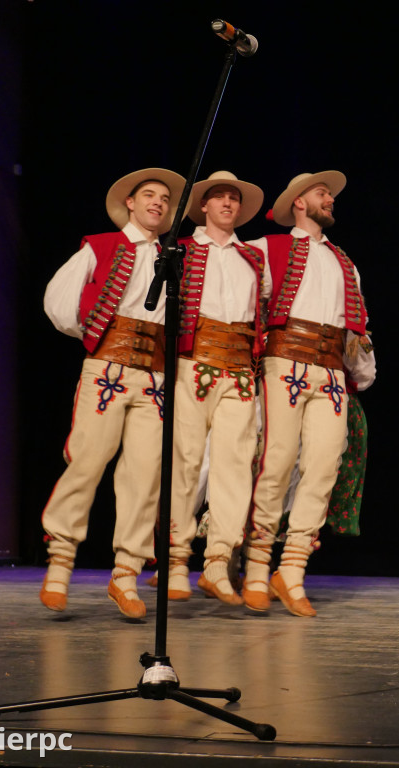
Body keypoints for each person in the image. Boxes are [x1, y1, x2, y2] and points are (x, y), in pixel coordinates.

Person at [40, 167, 185, 618]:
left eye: (164, 198)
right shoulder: (102, 245)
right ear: (130, 202)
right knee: (86, 460)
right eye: (149, 195)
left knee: (144, 475)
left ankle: (126, 573)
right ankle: (60, 563)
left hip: (155, 377)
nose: (158, 203)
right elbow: (59, 302)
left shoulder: (173, 258)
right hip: (108, 367)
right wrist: (101, 336)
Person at [242, 171, 375, 617]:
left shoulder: (344, 262)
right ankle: (257, 567)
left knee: (323, 466)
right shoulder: (266, 249)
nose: (330, 199)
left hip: (331, 369)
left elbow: (355, 324)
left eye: (331, 194)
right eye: (322, 193)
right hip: (285, 361)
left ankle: (293, 569)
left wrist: (361, 369)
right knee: (277, 460)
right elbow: (243, 304)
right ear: (299, 202)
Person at [162, 170, 268, 605]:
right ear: (202, 206)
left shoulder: (253, 258)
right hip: (194, 363)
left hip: (239, 369)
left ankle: (219, 562)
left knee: (234, 466)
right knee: (185, 462)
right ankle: (173, 561)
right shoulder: (181, 251)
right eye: (219, 197)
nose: (227, 203)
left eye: (233, 198)